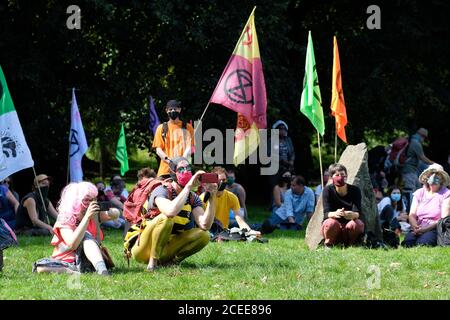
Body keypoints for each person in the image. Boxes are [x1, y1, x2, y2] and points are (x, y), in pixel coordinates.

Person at [130, 157, 217, 271]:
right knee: (165, 219)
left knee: (204, 235)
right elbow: (170, 211)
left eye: (188, 168)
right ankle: (152, 263)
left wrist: (212, 196)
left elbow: (205, 225)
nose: (185, 172)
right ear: (173, 173)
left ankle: (171, 262)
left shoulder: (193, 197)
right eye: (181, 169)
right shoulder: (161, 190)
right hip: (143, 249)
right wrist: (189, 186)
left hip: (167, 247)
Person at [35, 182, 113, 275]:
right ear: (75, 201)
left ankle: (102, 271)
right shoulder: (65, 218)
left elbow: (115, 214)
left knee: (86, 237)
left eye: (93, 199)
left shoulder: (93, 215)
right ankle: (72, 271)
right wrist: (87, 218)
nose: (91, 203)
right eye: (86, 200)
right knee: (40, 267)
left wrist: (110, 213)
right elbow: (72, 244)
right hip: (67, 261)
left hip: (88, 259)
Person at [402, 163, 450, 247]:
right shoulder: (419, 192)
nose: (434, 176)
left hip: (435, 228)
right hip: (418, 226)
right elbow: (412, 215)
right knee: (407, 243)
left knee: (422, 244)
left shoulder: (446, 194)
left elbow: (443, 219)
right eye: (431, 173)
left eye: (437, 174)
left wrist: (425, 229)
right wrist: (415, 226)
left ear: (442, 178)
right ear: (427, 176)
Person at [201, 167, 256, 234]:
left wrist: (250, 232)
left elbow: (240, 221)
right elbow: (201, 222)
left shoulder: (231, 197)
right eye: (219, 180)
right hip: (207, 231)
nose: (222, 182)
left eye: (224, 180)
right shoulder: (203, 197)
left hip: (224, 232)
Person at [321, 164, 365, 247]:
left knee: (357, 224)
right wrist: (335, 214)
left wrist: (351, 215)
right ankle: (329, 244)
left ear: (346, 176)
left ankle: (353, 244)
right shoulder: (327, 190)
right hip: (335, 226)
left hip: (349, 226)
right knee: (330, 223)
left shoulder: (355, 190)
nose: (340, 177)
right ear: (331, 177)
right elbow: (326, 213)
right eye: (337, 175)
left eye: (342, 174)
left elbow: (358, 212)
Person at [152, 100, 195, 178]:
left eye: (175, 109)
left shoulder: (188, 127)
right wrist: (170, 162)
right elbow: (158, 150)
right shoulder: (161, 128)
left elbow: (190, 147)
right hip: (165, 170)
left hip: (182, 170)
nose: (173, 111)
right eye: (170, 109)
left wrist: (181, 161)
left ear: (180, 110)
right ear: (166, 110)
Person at [401, 128, 434, 209]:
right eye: (424, 138)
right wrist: (434, 164)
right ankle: (409, 212)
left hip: (412, 171)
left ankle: (416, 210)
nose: (423, 140)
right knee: (410, 192)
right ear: (422, 136)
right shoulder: (415, 143)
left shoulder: (411, 141)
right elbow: (423, 158)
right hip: (409, 171)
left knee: (418, 189)